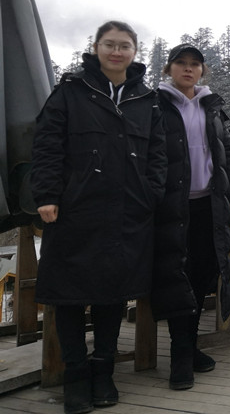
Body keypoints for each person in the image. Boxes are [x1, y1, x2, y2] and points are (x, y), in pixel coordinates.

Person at [31, 21, 167, 414]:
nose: (116, 52)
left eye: (124, 45)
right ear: (96, 48)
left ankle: (103, 371)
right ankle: (75, 376)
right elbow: (47, 145)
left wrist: (150, 194)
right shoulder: (70, 91)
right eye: (109, 44)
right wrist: (47, 195)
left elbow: (159, 155)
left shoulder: (146, 99)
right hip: (75, 210)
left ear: (134, 52)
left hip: (128, 212)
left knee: (113, 292)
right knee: (69, 294)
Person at [150, 43, 230, 390]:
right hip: (171, 208)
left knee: (203, 276)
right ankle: (180, 356)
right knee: (177, 278)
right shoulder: (155, 106)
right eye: (181, 63)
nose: (188, 69)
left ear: (202, 70)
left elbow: (226, 158)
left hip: (209, 205)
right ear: (169, 69)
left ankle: (190, 347)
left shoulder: (211, 107)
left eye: (195, 64)